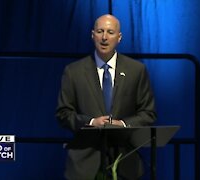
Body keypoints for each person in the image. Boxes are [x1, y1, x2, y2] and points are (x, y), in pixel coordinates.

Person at [56, 14, 156, 180]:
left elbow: (148, 113)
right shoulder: (73, 71)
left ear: (119, 37)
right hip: (85, 165)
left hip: (125, 162)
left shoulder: (136, 70)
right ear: (92, 34)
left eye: (110, 32)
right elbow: (63, 113)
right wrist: (91, 122)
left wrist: (123, 124)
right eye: (100, 31)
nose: (104, 37)